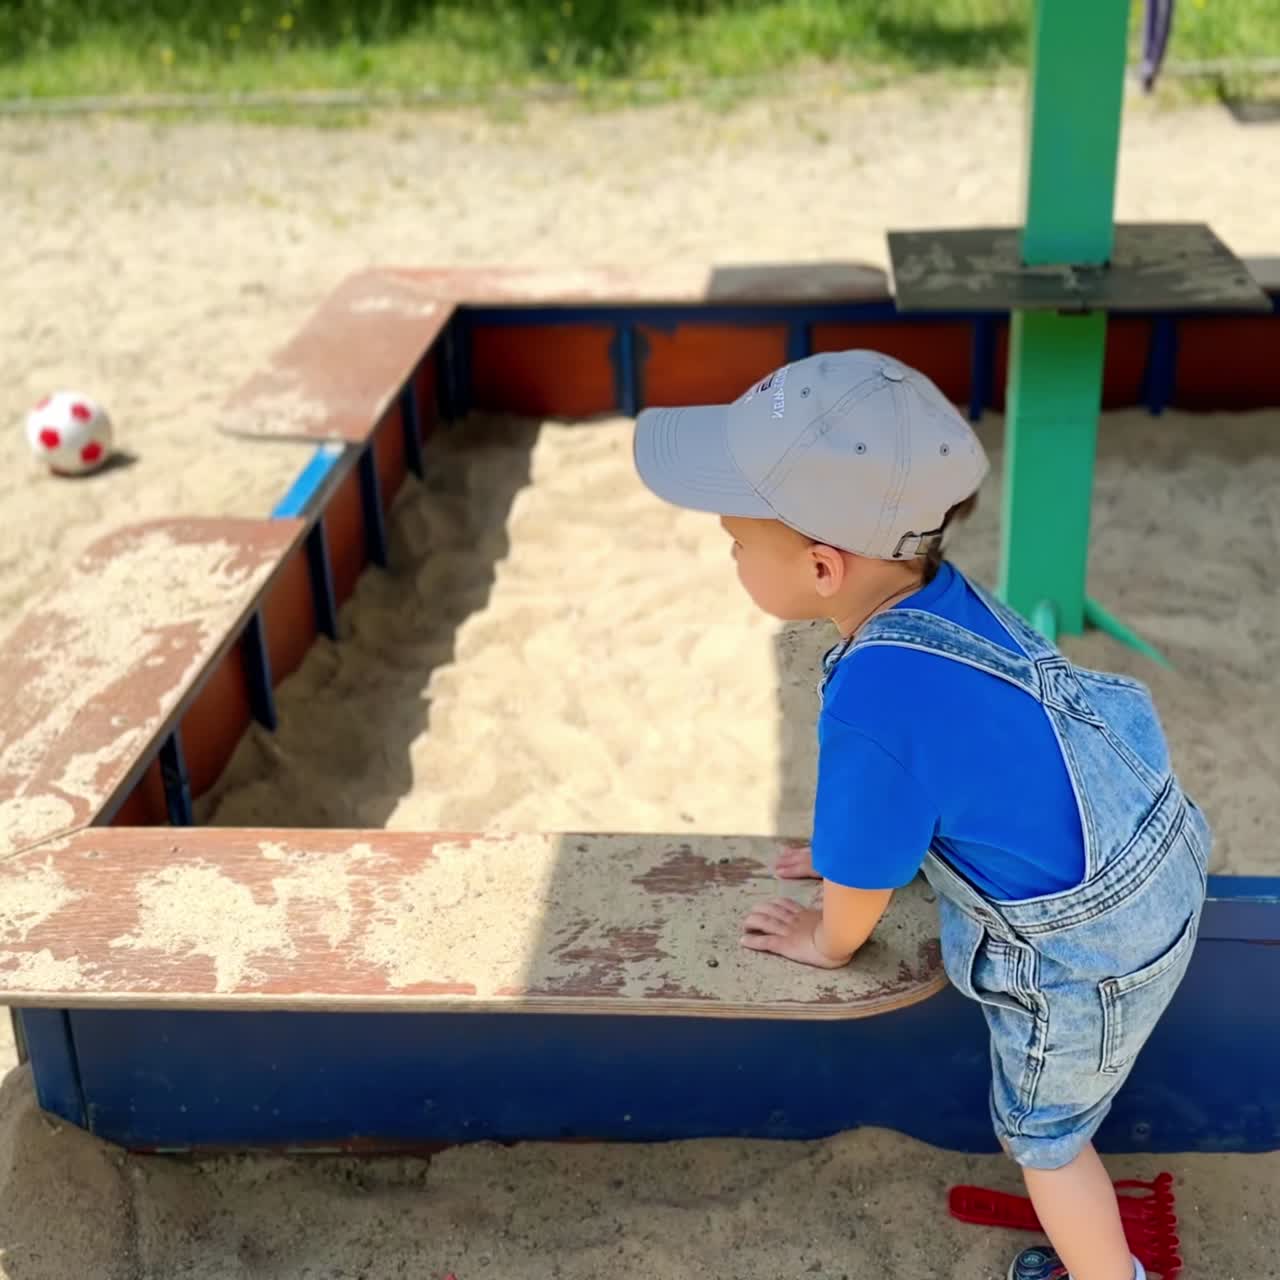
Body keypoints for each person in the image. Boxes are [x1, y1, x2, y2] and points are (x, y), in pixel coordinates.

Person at [632, 350, 1210, 1280]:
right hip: (1162, 847)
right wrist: (842, 854)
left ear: (823, 567)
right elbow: (958, 772)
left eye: (737, 542)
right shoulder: (947, 598)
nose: (731, 554)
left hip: (1090, 951)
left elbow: (860, 892)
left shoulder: (871, 698)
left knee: (1047, 1142)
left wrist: (826, 938)